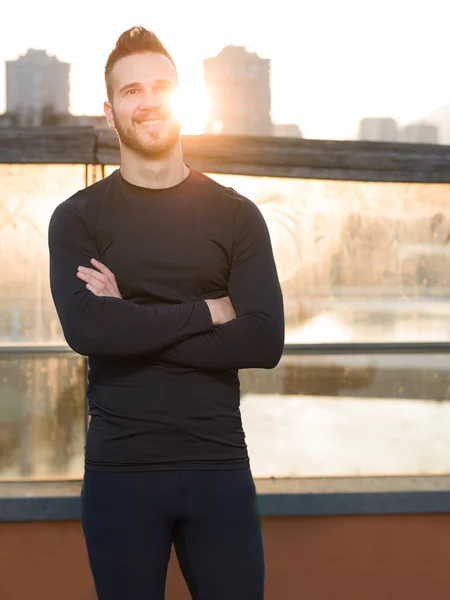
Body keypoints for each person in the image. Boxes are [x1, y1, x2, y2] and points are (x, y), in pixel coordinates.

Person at [48, 26, 284, 600]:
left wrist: (128, 320)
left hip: (219, 468)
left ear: (182, 97)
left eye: (160, 86)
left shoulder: (236, 215)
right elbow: (88, 329)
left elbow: (262, 342)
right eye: (130, 91)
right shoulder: (77, 218)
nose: (147, 101)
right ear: (110, 112)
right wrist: (208, 310)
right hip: (121, 475)